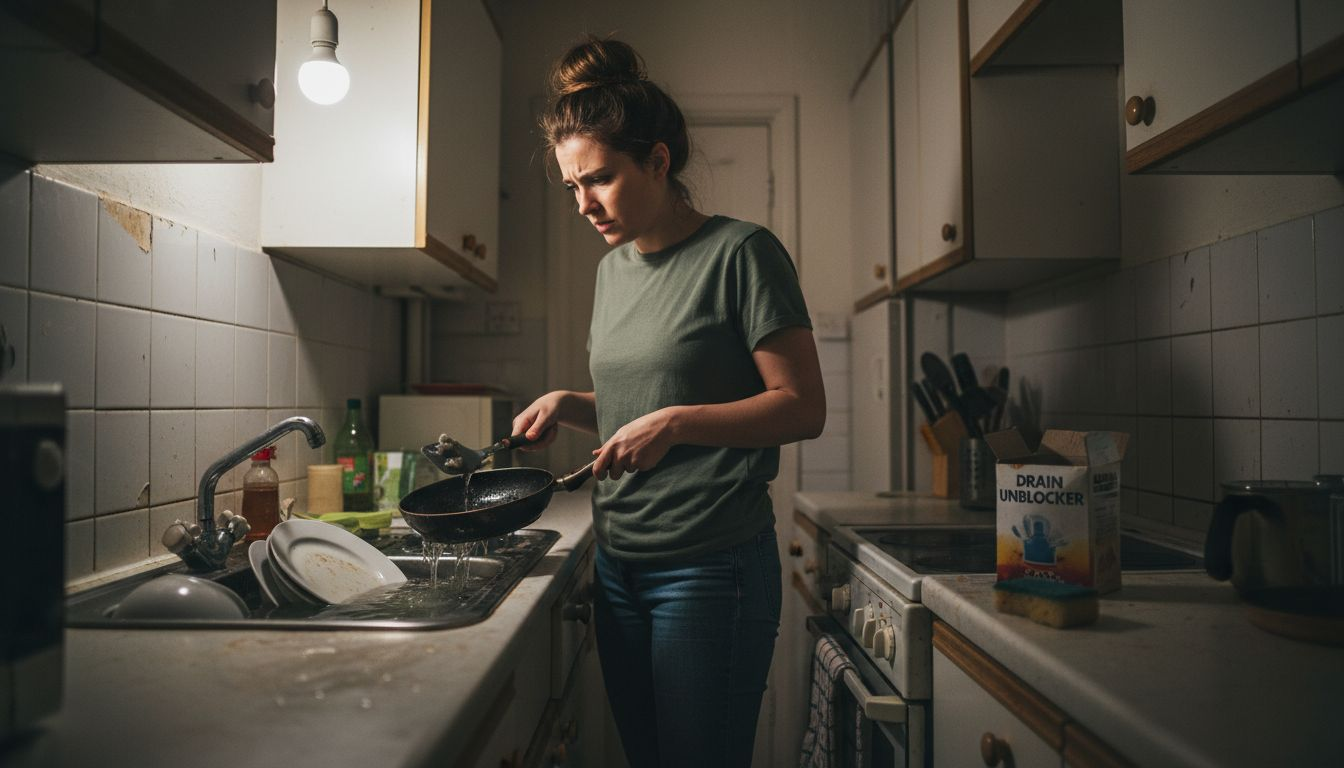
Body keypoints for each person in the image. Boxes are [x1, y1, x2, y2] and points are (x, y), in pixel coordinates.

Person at [512, 36, 826, 767]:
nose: (583, 205)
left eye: (599, 180)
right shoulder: (613, 272)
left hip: (710, 569)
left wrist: (680, 426)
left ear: (657, 160)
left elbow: (801, 407)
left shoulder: (742, 254)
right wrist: (570, 401)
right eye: (571, 187)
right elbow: (648, 401)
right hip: (619, 563)